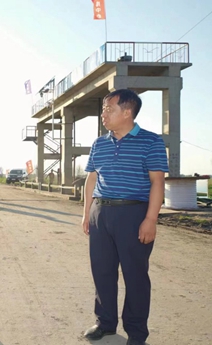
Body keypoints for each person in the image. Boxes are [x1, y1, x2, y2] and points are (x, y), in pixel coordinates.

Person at [81, 89, 168, 345]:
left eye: (109, 109)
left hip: (133, 214)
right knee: (102, 272)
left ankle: (137, 333)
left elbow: (157, 183)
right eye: (104, 109)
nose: (103, 114)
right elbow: (92, 178)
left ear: (127, 112)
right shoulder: (99, 143)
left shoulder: (151, 142)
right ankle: (105, 323)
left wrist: (151, 219)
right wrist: (87, 213)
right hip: (101, 213)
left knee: (135, 275)